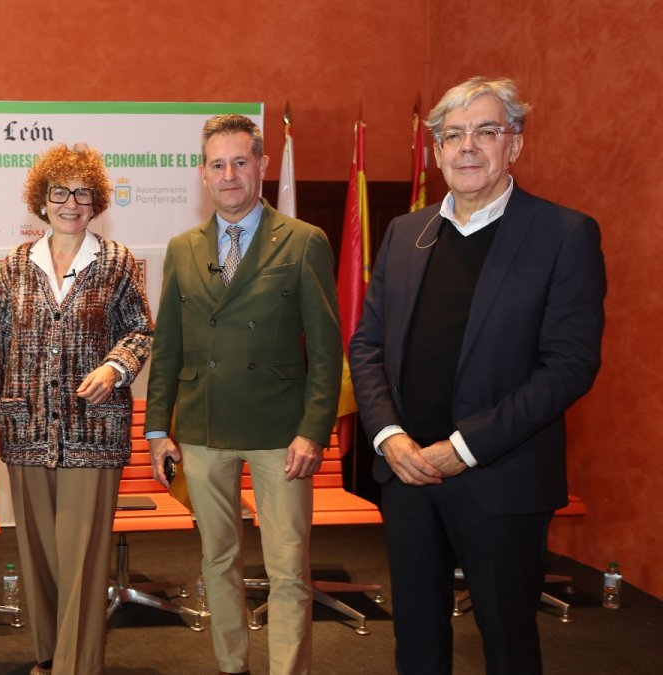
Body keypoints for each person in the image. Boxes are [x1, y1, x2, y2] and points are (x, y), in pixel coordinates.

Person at [349, 76, 606, 674]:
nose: (467, 146)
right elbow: (367, 345)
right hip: (408, 472)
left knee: (508, 641)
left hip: (501, 477)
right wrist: (388, 436)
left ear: (515, 144)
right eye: (453, 134)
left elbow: (569, 365)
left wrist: (464, 448)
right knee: (416, 638)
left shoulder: (563, 234)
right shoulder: (405, 232)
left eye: (486, 131)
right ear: (436, 150)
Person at [145, 114, 341, 675]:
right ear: (203, 174)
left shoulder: (303, 241)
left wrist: (313, 430)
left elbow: (326, 349)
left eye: (239, 162)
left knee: (288, 568)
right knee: (218, 560)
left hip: (282, 434)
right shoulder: (183, 248)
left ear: (261, 165)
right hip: (204, 427)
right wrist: (157, 430)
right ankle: (233, 667)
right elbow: (168, 346)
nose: (229, 175)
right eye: (217, 164)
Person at [0, 143, 154, 675]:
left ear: (96, 201)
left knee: (84, 560)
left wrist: (115, 368)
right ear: (42, 200)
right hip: (25, 427)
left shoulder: (116, 262)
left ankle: (78, 666)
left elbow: (140, 330)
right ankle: (50, 657)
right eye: (60, 192)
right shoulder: (15, 264)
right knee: (40, 554)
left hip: (93, 432)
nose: (71, 203)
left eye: (82, 193)